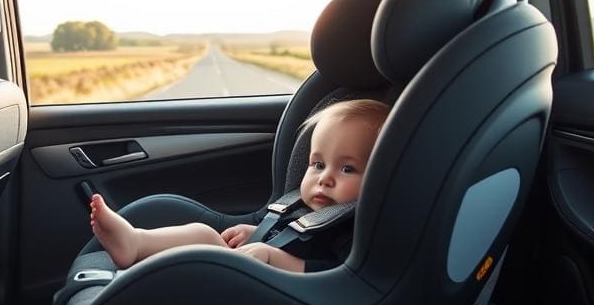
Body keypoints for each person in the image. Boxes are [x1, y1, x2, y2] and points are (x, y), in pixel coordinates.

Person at [89, 98, 390, 273]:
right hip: (251, 270)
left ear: (380, 177)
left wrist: (274, 256)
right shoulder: (302, 205)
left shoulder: (354, 229)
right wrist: (256, 233)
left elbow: (338, 276)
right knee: (204, 234)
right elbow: (283, 231)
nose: (325, 178)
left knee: (208, 246)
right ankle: (136, 242)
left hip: (288, 297)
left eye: (348, 168)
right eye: (317, 164)